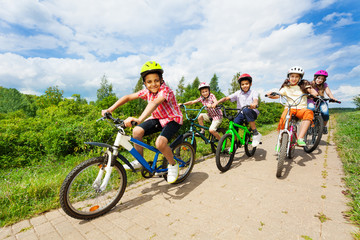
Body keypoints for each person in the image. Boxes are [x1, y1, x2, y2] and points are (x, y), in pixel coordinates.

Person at [101, 61, 183, 184]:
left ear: (161, 80)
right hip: (158, 118)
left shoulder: (165, 90)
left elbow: (154, 103)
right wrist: (110, 109)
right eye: (149, 82)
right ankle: (140, 161)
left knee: (160, 143)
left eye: (156, 80)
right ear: (144, 83)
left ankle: (172, 164)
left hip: (173, 119)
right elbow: (128, 97)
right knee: (137, 131)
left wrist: (139, 119)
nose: (153, 84)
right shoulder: (146, 91)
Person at [266, 66, 317, 147]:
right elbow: (278, 95)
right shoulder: (286, 87)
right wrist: (270, 95)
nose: (294, 78)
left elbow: (313, 92)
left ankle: (300, 138)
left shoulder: (303, 85)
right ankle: (280, 141)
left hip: (301, 109)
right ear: (289, 77)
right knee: (283, 120)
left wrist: (313, 92)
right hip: (289, 108)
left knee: (309, 113)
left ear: (300, 78)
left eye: (297, 77)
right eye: (292, 76)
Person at [212, 73, 262, 147]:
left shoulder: (253, 92)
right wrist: (217, 102)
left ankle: (255, 133)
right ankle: (235, 143)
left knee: (246, 110)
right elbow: (226, 98)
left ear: (250, 84)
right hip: (241, 113)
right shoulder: (238, 93)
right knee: (234, 124)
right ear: (240, 85)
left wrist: (254, 104)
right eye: (242, 84)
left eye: (246, 84)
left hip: (251, 112)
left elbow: (255, 100)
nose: (244, 86)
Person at [307, 70, 338, 134]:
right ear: (315, 78)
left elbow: (328, 92)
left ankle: (323, 126)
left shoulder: (324, 85)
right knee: (311, 109)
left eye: (322, 79)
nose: (320, 80)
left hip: (321, 100)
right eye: (319, 78)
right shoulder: (310, 84)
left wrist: (332, 98)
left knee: (325, 113)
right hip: (311, 100)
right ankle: (309, 125)